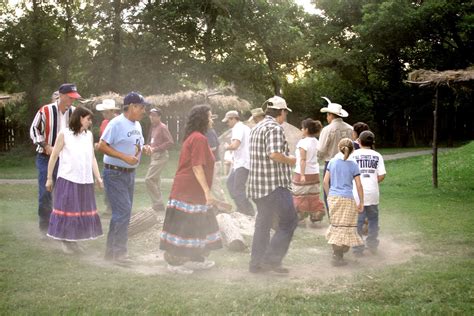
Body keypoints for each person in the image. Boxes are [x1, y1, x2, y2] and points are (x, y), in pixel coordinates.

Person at [160, 104, 223, 275]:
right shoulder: (198, 138)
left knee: (200, 226)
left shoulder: (196, 137)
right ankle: (174, 264)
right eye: (210, 116)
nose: (211, 120)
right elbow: (196, 167)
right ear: (202, 119)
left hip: (193, 193)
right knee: (184, 227)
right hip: (188, 192)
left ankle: (196, 259)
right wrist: (207, 192)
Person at [248, 96, 298, 274]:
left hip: (257, 186)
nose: (285, 116)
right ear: (281, 112)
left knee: (263, 224)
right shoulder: (274, 127)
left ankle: (256, 264)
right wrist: (291, 160)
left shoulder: (256, 127)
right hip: (274, 186)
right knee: (289, 221)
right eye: (285, 112)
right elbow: (275, 154)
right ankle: (271, 260)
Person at [45, 107, 103, 253]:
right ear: (79, 118)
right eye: (88, 119)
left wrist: (98, 177)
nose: (90, 122)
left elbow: (92, 158)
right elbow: (54, 156)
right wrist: (49, 178)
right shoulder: (65, 134)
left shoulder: (88, 135)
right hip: (68, 178)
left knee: (80, 212)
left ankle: (73, 241)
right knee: (69, 210)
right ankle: (66, 242)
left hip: (85, 180)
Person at [98, 91, 146, 265]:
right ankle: (120, 254)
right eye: (141, 107)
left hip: (129, 174)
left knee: (120, 213)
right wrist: (124, 157)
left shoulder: (137, 125)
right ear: (132, 106)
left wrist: (144, 148)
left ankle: (111, 253)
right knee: (123, 211)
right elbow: (102, 146)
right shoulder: (116, 123)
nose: (143, 111)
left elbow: (137, 144)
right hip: (114, 173)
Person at [30, 83, 80, 235]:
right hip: (45, 157)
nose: (72, 101)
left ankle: (61, 227)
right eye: (71, 97)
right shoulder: (45, 110)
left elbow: (78, 133)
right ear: (62, 95)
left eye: (74, 98)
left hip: (65, 159)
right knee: (46, 192)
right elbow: (34, 129)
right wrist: (45, 145)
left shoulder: (74, 112)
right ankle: (45, 227)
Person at [323, 138, 364, 266]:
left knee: (336, 226)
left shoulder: (332, 162)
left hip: (334, 198)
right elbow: (358, 185)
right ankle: (340, 253)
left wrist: (330, 196)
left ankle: (337, 254)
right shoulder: (353, 165)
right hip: (347, 199)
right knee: (346, 227)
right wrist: (361, 202)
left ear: (338, 148)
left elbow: (325, 182)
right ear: (352, 150)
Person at [351, 131, 386, 256]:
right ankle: (372, 245)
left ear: (359, 142)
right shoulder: (377, 155)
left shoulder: (353, 155)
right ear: (372, 143)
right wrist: (372, 181)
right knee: (373, 220)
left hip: (358, 194)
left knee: (358, 222)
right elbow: (382, 175)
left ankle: (357, 248)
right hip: (373, 193)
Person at [317, 97, 353, 213]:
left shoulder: (327, 130)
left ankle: (333, 219)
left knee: (330, 192)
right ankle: (345, 216)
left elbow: (321, 149)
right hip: (348, 164)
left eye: (327, 115)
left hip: (331, 165)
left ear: (330, 115)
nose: (327, 118)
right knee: (346, 191)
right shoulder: (350, 129)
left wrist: (320, 159)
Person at [292, 119, 325, 225]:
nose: (301, 129)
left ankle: (300, 215)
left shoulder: (303, 142)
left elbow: (302, 159)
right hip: (314, 173)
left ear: (306, 130)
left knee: (299, 195)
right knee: (313, 195)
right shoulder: (317, 142)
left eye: (302, 128)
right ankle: (316, 214)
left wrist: (302, 175)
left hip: (302, 172)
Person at [223, 110, 255, 216]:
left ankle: (248, 211)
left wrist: (226, 147)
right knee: (230, 183)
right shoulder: (245, 128)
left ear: (233, 119)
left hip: (243, 163)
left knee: (237, 188)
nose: (227, 123)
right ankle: (242, 207)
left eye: (228, 121)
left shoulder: (237, 128)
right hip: (241, 162)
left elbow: (235, 145)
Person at [143, 108, 174, 212]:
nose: (151, 117)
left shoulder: (162, 127)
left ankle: (158, 203)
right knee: (155, 180)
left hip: (160, 156)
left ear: (159, 117)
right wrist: (148, 147)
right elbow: (153, 142)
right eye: (150, 115)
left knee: (149, 179)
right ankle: (158, 205)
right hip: (154, 156)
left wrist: (155, 149)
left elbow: (170, 142)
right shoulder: (154, 127)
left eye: (154, 115)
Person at [94, 98, 120, 216]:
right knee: (107, 183)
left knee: (116, 184)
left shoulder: (120, 122)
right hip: (107, 157)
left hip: (118, 157)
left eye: (105, 111)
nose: (103, 114)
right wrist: (99, 144)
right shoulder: (104, 122)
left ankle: (115, 207)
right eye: (103, 111)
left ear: (111, 111)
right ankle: (109, 206)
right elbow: (102, 138)